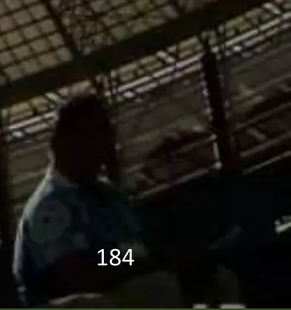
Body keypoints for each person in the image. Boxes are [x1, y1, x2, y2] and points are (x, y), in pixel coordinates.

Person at [14, 94, 240, 308]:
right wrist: (133, 260)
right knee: (158, 287)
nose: (97, 144)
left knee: (220, 279)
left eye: (103, 134)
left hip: (126, 288)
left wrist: (174, 258)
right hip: (82, 301)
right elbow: (77, 271)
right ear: (58, 143)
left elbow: (139, 246)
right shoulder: (50, 207)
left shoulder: (111, 195)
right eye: (84, 135)